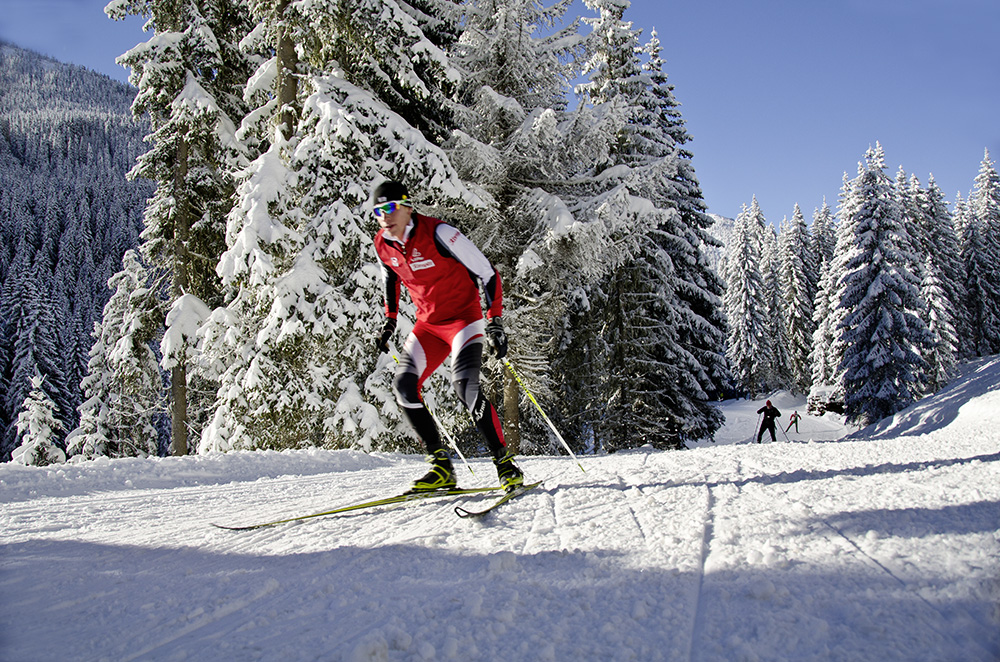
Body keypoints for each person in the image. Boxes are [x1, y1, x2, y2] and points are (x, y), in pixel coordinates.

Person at [370, 180, 524, 493]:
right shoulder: (382, 244)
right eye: (377, 211)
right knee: (403, 386)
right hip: (428, 326)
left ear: (407, 206)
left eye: (389, 208)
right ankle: (441, 468)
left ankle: (505, 465)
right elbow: (390, 278)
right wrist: (389, 320)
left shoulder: (439, 233)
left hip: (463, 321)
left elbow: (488, 273)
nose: (384, 216)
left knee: (464, 385)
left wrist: (494, 321)